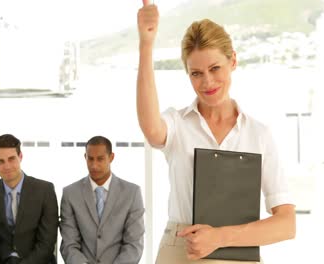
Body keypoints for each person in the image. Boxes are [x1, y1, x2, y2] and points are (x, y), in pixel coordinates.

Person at [136, 3, 296, 264]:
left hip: (239, 253)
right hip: (180, 249)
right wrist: (146, 44)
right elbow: (151, 129)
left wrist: (220, 237)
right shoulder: (177, 124)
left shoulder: (259, 134)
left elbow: (286, 224)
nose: (207, 82)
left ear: (232, 60)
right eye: (196, 73)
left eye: (215, 68)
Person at [60, 135, 145, 264]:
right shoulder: (70, 194)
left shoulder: (132, 193)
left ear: (111, 157)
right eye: (90, 159)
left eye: (100, 159)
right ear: (85, 157)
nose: (94, 165)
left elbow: (134, 244)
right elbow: (69, 244)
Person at [0, 134, 59, 264]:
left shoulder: (45, 190)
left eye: (11, 159)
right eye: (0, 161)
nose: (7, 166)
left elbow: (46, 244)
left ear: (20, 157)